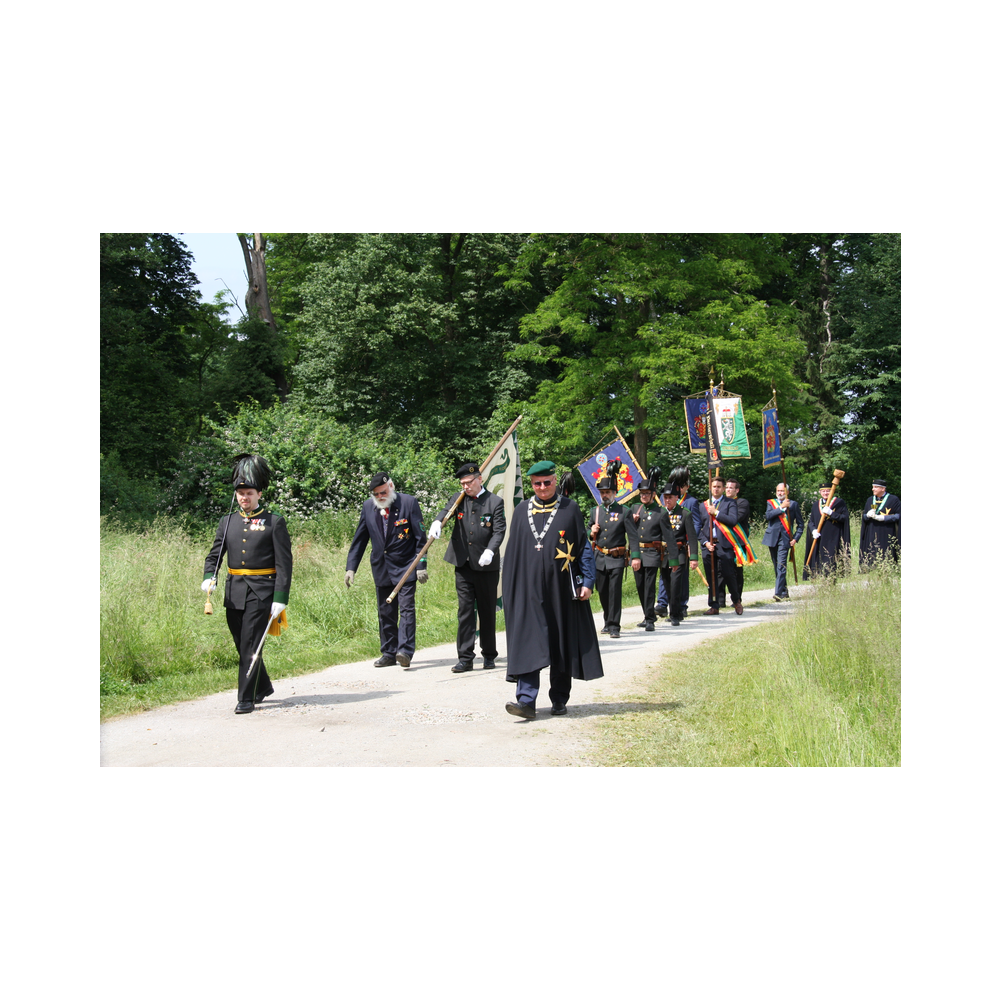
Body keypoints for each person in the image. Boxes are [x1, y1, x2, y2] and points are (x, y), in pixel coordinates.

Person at [503, 461, 603, 719]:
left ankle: (559, 698)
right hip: (528, 592)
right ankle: (526, 701)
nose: (542, 487)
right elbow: (513, 553)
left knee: (560, 642)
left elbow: (582, 547)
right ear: (531, 484)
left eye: (547, 482)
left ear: (555, 481)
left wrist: (587, 581)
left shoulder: (570, 508)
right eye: (537, 483)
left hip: (561, 590)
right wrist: (510, 591)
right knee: (528, 640)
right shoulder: (521, 510)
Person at [202, 454, 292, 714]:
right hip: (234, 591)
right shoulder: (227, 521)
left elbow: (284, 563)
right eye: (241, 493)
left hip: (262, 592)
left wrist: (280, 597)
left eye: (249, 493)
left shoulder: (274, 522)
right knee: (240, 642)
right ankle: (262, 687)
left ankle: (245, 698)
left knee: (250, 643)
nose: (244, 497)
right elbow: (215, 554)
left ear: (259, 494)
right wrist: (209, 575)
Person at [429, 461, 506, 672]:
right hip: (463, 564)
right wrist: (437, 521)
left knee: (487, 611)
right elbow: (446, 511)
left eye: (469, 482)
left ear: (480, 479)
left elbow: (499, 531)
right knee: (465, 611)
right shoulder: (459, 498)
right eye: (462, 483)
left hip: (486, 565)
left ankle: (489, 654)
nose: (466, 487)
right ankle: (465, 657)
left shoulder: (494, 502)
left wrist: (490, 551)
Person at [345, 472, 428, 668]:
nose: (380, 497)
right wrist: (351, 568)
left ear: (391, 486)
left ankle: (404, 651)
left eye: (383, 492)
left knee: (406, 609)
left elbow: (421, 538)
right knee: (385, 612)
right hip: (381, 567)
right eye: (376, 494)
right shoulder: (368, 507)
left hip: (406, 566)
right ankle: (389, 653)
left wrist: (421, 565)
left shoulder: (408, 503)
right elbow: (360, 539)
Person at [588, 465, 629, 638]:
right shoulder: (595, 512)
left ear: (614, 493)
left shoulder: (624, 511)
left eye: (607, 492)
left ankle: (614, 625)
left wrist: (635, 557)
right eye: (602, 492)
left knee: (614, 592)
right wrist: (591, 532)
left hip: (616, 557)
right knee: (603, 591)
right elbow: (588, 532)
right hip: (599, 557)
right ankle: (607, 620)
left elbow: (632, 536)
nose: (604, 495)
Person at [625, 475, 665, 631]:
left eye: (647, 493)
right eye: (642, 493)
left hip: (652, 552)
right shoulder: (635, 508)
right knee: (640, 585)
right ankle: (648, 614)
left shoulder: (660, 511)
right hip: (637, 552)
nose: (644, 496)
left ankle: (649, 619)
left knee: (649, 586)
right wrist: (632, 521)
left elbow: (667, 535)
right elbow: (628, 530)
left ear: (653, 494)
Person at [698, 476, 742, 614]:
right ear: (710, 488)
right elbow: (698, 527)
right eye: (714, 486)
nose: (716, 489)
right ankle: (714, 605)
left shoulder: (730, 503)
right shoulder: (703, 505)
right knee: (711, 576)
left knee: (729, 574)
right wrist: (705, 542)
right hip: (708, 545)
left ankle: (736, 600)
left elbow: (733, 520)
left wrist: (716, 513)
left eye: (718, 487)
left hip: (724, 544)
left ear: (723, 489)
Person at [658, 483, 699, 626]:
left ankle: (675, 614)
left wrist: (694, 557)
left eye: (670, 497)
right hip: (664, 554)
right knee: (667, 583)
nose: (667, 500)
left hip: (679, 552)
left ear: (677, 497)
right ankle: (674, 610)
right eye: (665, 497)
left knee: (675, 583)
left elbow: (692, 537)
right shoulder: (660, 513)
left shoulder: (685, 513)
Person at [763, 481, 804, 600]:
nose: (780, 493)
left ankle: (778, 593)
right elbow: (768, 516)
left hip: (785, 539)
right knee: (777, 565)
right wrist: (781, 508)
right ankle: (784, 591)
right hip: (772, 538)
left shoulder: (794, 504)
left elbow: (800, 524)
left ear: (787, 492)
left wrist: (796, 538)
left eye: (782, 491)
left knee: (781, 565)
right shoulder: (771, 503)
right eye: (778, 491)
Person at [805, 480, 851, 577]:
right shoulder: (816, 504)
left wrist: (832, 513)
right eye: (823, 491)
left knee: (831, 557)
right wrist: (813, 530)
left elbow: (844, 518)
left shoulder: (839, 502)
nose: (825, 493)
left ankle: (831, 576)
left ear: (832, 491)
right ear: (820, 492)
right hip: (819, 536)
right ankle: (818, 575)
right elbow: (811, 521)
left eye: (828, 491)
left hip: (833, 536)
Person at [859, 479, 900, 568]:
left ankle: (887, 568)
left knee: (886, 552)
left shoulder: (893, 499)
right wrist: (867, 515)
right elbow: (864, 517)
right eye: (873, 487)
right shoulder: (870, 500)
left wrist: (884, 518)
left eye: (875, 487)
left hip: (887, 532)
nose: (873, 489)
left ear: (883, 489)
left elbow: (898, 516)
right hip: (872, 531)